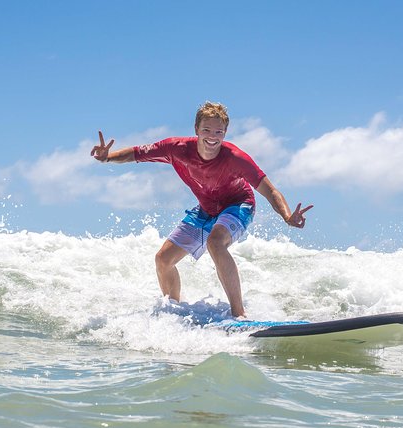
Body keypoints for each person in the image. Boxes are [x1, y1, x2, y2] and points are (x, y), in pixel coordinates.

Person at [91, 101, 312, 318]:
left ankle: (239, 314)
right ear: (196, 129)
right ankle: (173, 312)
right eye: (206, 129)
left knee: (215, 242)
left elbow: (269, 190)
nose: (212, 137)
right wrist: (107, 157)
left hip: (238, 205)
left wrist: (286, 215)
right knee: (163, 259)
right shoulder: (176, 148)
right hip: (205, 209)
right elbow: (137, 153)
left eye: (219, 131)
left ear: (225, 133)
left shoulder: (236, 158)